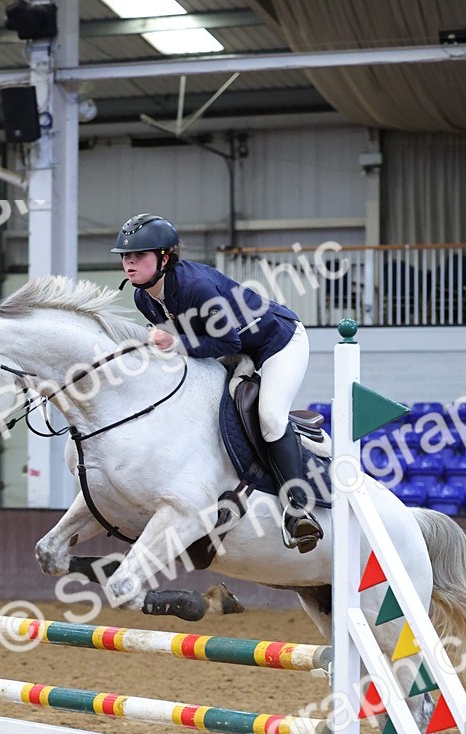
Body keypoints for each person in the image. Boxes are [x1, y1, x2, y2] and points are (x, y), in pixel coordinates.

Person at [111, 212, 323, 552]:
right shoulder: (143, 297)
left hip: (277, 343)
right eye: (125, 257)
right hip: (232, 350)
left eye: (139, 256)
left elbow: (226, 344)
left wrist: (174, 344)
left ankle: (298, 509)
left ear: (164, 257)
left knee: (269, 417)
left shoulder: (196, 286)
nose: (129, 263)